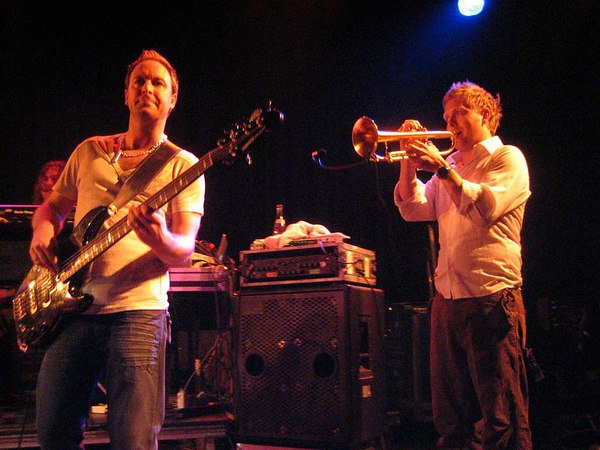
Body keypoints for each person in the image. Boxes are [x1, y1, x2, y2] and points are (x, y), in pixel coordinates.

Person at [29, 49, 205, 449]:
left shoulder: (184, 166)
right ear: (126, 94)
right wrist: (42, 231)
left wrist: (160, 238)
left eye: (158, 82)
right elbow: (51, 209)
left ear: (172, 99)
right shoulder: (89, 151)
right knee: (53, 433)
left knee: (134, 441)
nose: (147, 88)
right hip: (73, 313)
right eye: (139, 81)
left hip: (138, 313)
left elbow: (182, 250)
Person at [394, 81, 532, 449]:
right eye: (446, 117)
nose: (450, 124)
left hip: (491, 299)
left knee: (501, 418)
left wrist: (441, 169)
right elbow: (412, 208)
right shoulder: (452, 163)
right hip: (447, 302)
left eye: (459, 114)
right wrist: (408, 158)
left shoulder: (507, 158)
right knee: (451, 418)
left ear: (484, 114)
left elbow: (484, 207)